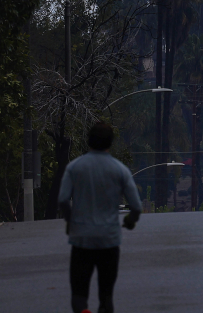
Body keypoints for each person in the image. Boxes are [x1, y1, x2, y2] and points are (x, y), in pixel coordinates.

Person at [59, 121, 142, 313]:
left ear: (88, 141)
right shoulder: (120, 170)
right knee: (106, 295)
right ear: (110, 143)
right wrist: (130, 221)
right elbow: (136, 206)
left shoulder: (74, 168)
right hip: (109, 240)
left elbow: (63, 199)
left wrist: (70, 221)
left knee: (79, 295)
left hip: (81, 239)